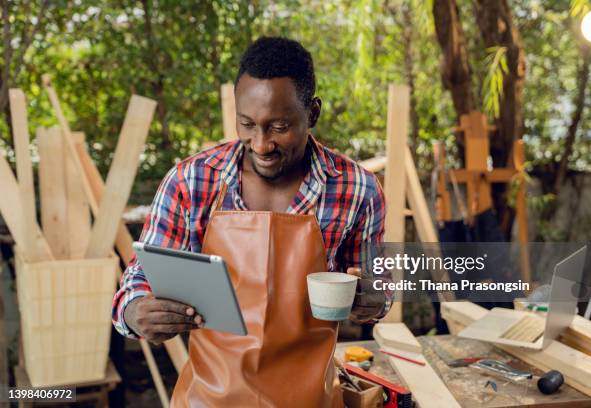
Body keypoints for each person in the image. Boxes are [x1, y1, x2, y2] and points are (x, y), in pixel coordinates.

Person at [111, 36, 390, 407]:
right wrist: (135, 309)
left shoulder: (358, 189)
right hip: (209, 398)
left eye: (278, 127)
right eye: (247, 124)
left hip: (310, 398)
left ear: (313, 113)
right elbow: (137, 281)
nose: (260, 144)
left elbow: (380, 283)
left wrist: (374, 297)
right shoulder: (190, 181)